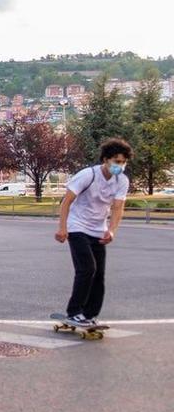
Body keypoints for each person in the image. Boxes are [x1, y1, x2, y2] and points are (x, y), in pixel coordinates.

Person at [54, 138, 131, 328]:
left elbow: (118, 207)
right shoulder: (88, 175)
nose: (119, 166)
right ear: (105, 159)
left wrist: (111, 231)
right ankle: (74, 312)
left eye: (122, 162)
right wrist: (62, 228)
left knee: (99, 274)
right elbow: (67, 201)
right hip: (77, 225)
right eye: (116, 161)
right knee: (87, 268)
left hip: (98, 229)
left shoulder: (121, 180)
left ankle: (89, 314)